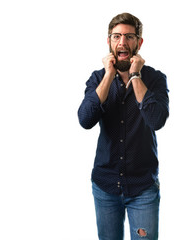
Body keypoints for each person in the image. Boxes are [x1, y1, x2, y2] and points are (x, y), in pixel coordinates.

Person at [78, 12, 169, 240]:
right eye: (116, 36)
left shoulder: (156, 79)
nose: (122, 42)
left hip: (143, 188)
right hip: (105, 186)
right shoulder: (97, 79)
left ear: (139, 43)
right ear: (108, 41)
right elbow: (85, 119)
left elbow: (156, 120)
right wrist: (109, 75)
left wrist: (135, 75)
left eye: (129, 37)